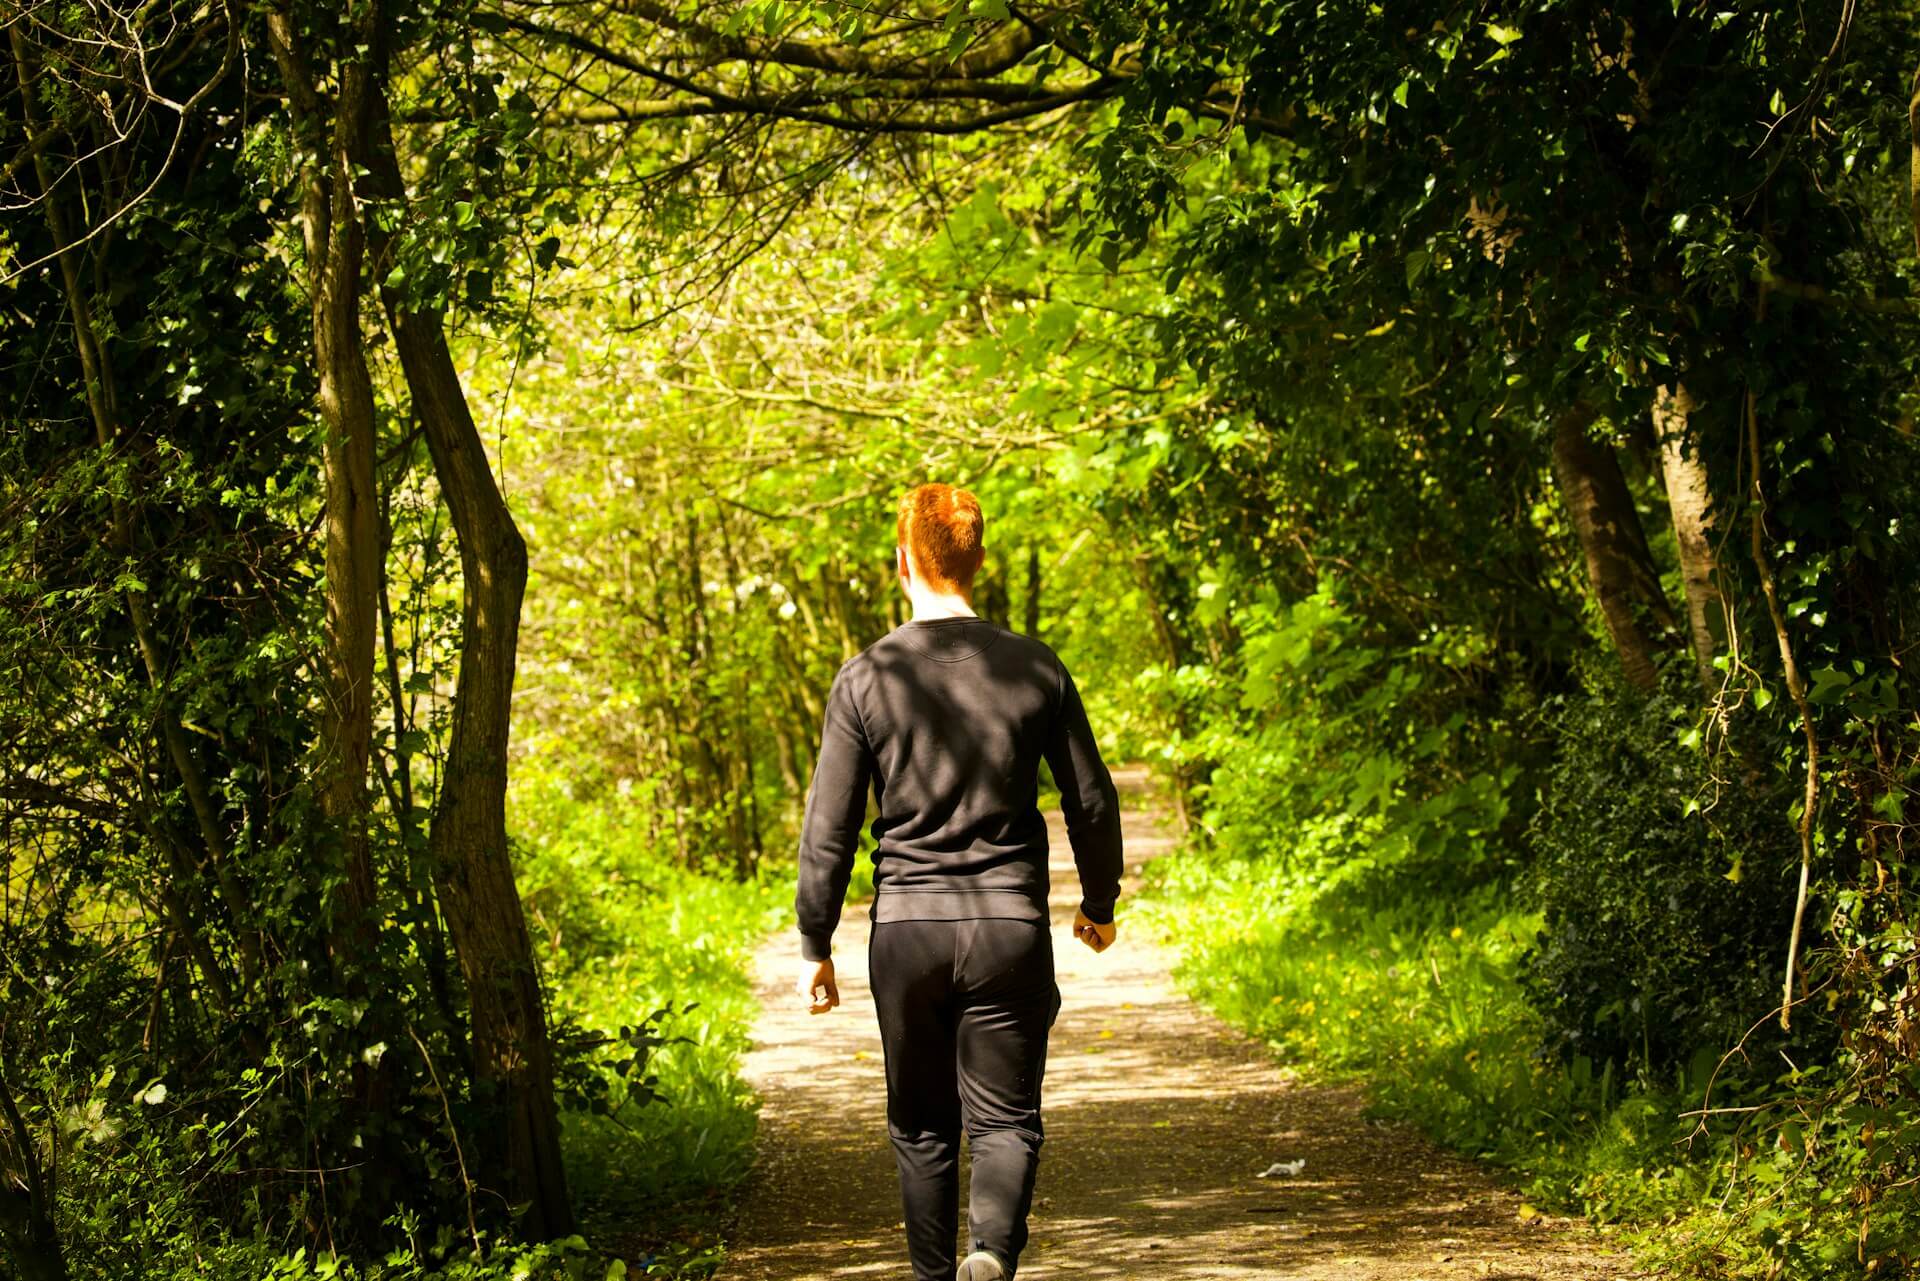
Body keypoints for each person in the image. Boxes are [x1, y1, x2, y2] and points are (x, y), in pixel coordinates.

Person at [793, 482, 1124, 1281]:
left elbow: (831, 823)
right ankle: (992, 1253)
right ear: (978, 561)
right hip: (1007, 926)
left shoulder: (865, 677)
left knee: (922, 1126)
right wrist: (1099, 901)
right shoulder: (1035, 667)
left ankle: (937, 1275)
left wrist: (815, 940)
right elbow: (1089, 797)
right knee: (1006, 1120)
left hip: (907, 929)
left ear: (902, 562)